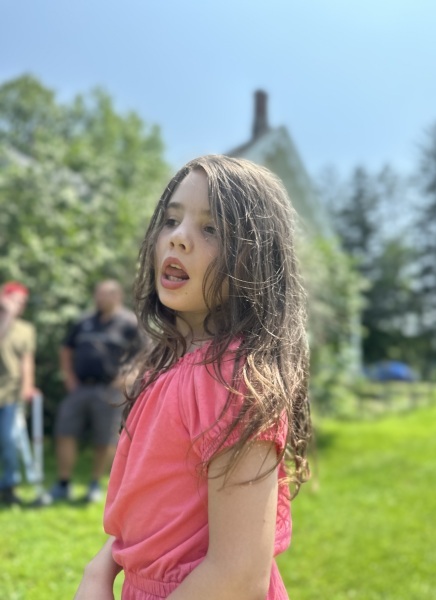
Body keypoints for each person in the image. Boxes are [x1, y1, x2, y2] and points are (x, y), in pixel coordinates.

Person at [74, 155, 311, 599]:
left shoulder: (234, 382)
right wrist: (100, 568)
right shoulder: (167, 364)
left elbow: (238, 575)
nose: (178, 237)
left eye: (211, 228)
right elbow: (151, 508)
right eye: (171, 220)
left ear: (255, 260)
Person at [48, 280, 142, 503]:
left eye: (104, 294)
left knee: (106, 438)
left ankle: (95, 485)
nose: (99, 298)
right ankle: (63, 484)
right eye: (97, 294)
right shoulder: (84, 321)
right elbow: (66, 349)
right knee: (64, 432)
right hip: (80, 388)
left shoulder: (130, 323)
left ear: (117, 296)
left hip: (110, 390)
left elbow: (144, 354)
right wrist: (69, 377)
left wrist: (128, 377)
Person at [0, 282, 37, 506]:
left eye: (23, 303)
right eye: (16, 301)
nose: (20, 306)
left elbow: (27, 362)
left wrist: (27, 387)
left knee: (9, 440)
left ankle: (9, 486)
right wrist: (7, 316)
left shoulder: (26, 329)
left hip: (10, 395)